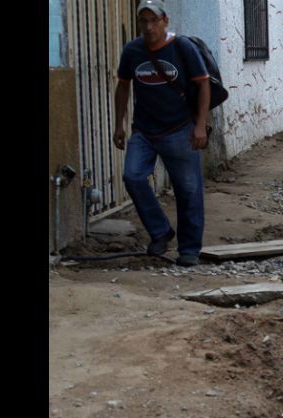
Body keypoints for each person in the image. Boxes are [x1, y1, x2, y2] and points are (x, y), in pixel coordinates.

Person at [113, 0, 211, 267]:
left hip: (179, 129)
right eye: (143, 21)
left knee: (188, 190)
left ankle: (189, 249)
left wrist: (200, 125)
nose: (148, 26)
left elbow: (203, 86)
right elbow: (123, 86)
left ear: (165, 21)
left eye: (154, 20)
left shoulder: (182, 48)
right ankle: (160, 231)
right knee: (132, 176)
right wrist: (118, 124)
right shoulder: (132, 50)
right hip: (143, 130)